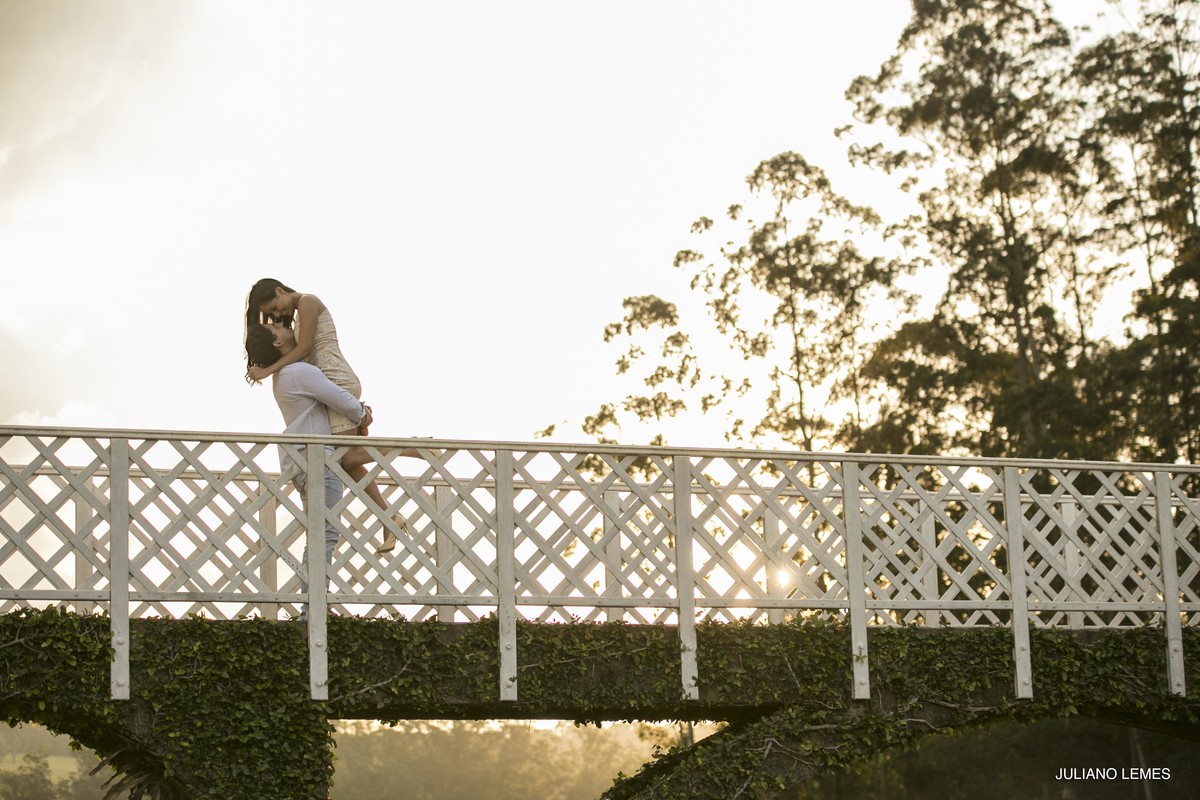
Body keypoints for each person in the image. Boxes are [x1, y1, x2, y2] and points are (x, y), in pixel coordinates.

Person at [243, 278, 401, 553]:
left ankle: (411, 448)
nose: (278, 314)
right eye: (273, 315)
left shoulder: (307, 301)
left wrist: (269, 370)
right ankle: (389, 518)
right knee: (348, 463)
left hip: (334, 379)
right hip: (327, 384)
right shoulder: (296, 318)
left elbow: (304, 350)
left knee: (348, 457)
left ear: (280, 290)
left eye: (275, 307)